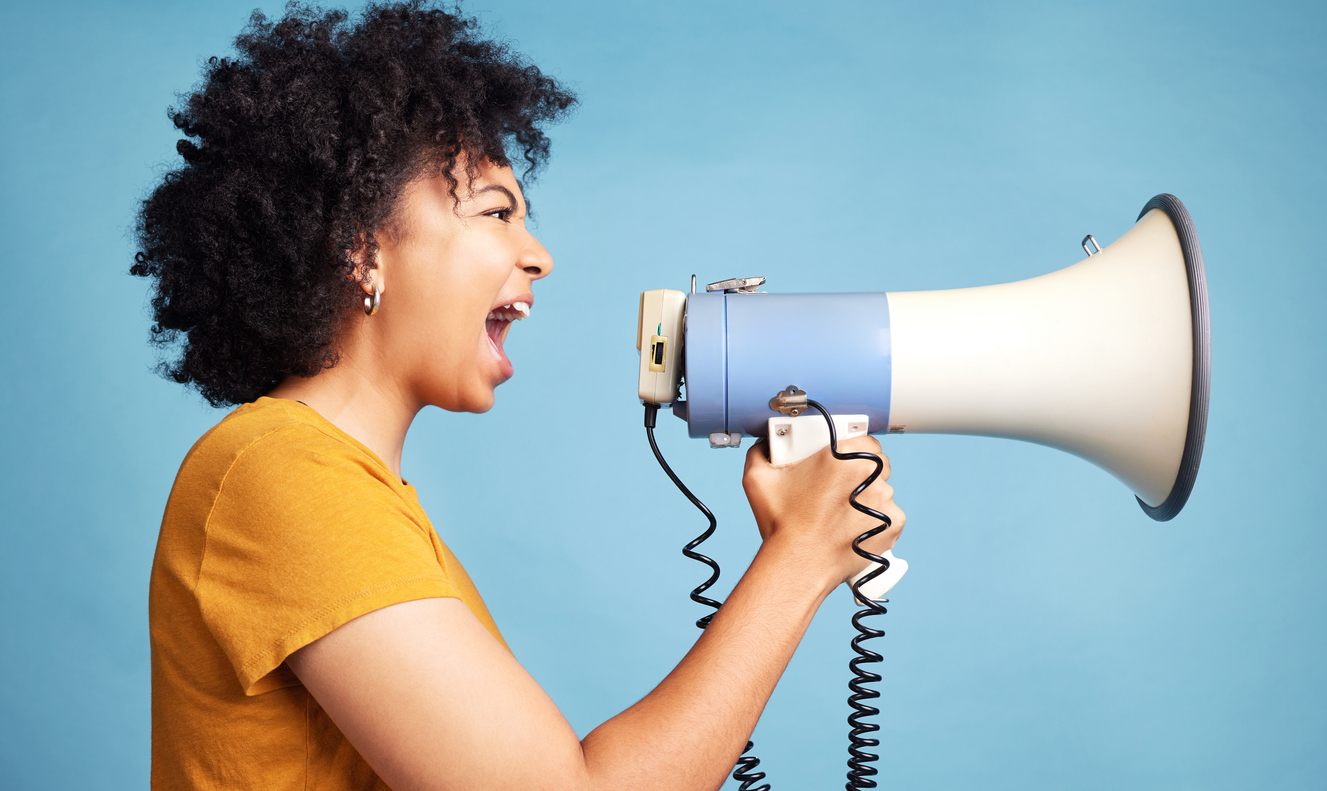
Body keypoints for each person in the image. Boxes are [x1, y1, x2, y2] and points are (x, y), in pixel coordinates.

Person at [133, 3, 905, 789]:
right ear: (359, 247)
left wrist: (805, 545)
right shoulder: (282, 475)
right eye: (495, 211)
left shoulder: (347, 490)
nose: (538, 255)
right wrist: (801, 553)